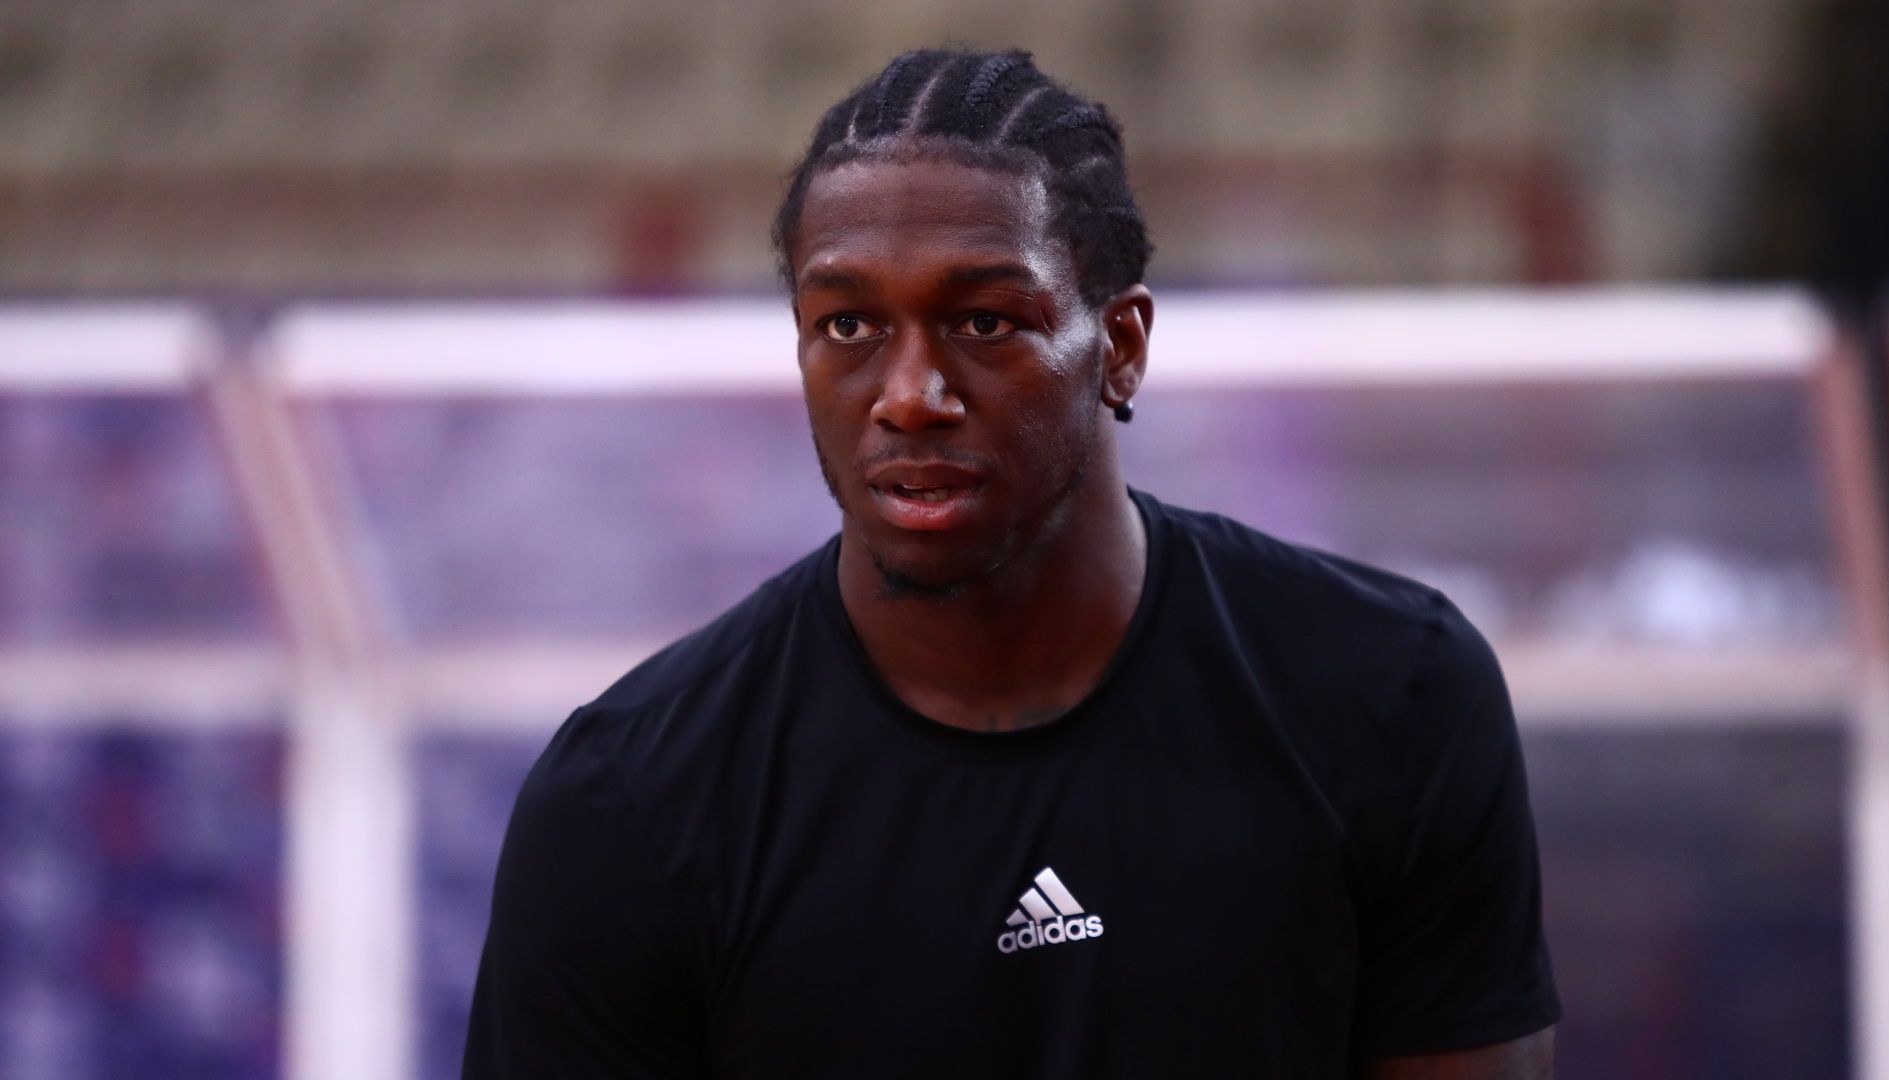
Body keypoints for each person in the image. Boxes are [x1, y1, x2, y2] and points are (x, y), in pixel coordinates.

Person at [463, 47, 1560, 1079]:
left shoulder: (1394, 693)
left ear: (1121, 346)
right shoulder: (627, 803)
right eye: (847, 327)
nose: (908, 395)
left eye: (985, 322)